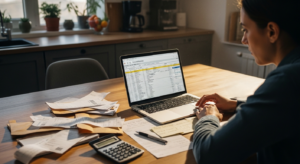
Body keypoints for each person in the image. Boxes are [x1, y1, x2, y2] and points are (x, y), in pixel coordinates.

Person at [192, 0, 300, 163]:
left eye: (246, 29)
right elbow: (284, 110)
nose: (243, 39)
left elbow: (209, 155)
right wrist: (236, 105)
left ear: (272, 31)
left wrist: (209, 117)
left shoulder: (286, 81)